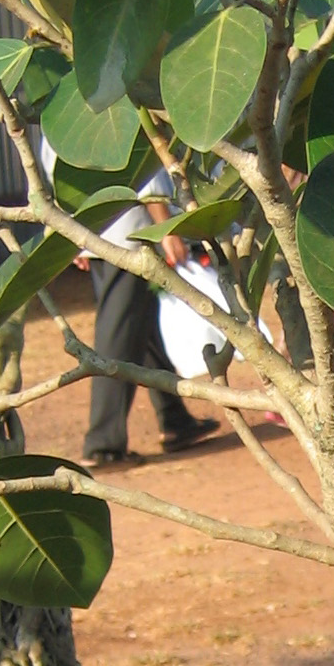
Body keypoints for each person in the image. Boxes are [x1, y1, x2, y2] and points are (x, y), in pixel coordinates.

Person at [80, 176, 218, 469]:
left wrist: (71, 236)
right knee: (119, 332)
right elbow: (148, 179)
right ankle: (103, 444)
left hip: (91, 231)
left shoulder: (49, 130)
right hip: (130, 235)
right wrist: (167, 229)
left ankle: (175, 419)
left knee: (139, 325)